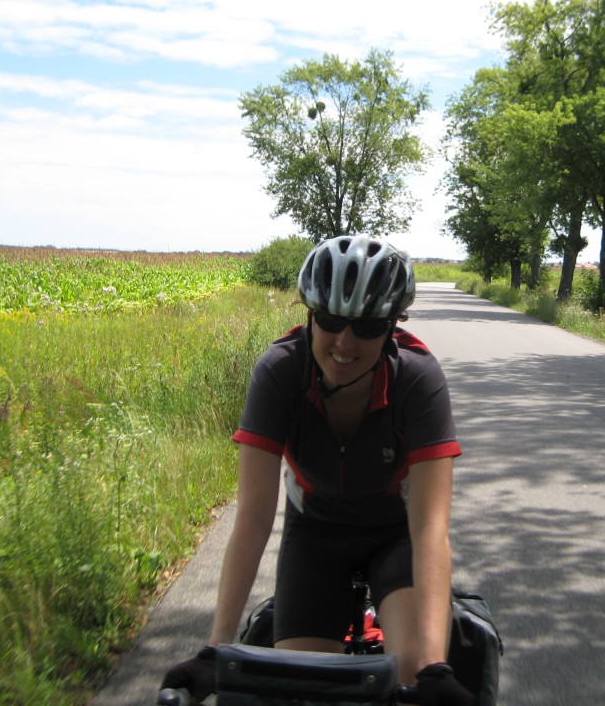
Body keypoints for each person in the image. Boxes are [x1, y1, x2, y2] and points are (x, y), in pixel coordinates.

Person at [160, 235, 474, 706]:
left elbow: (430, 528)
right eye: (329, 321)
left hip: (396, 533)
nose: (344, 343)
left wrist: (433, 667)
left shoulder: (417, 379)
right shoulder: (280, 372)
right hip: (316, 533)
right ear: (309, 314)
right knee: (302, 686)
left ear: (392, 327)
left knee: (407, 671)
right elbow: (253, 515)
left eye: (367, 327)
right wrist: (215, 648)